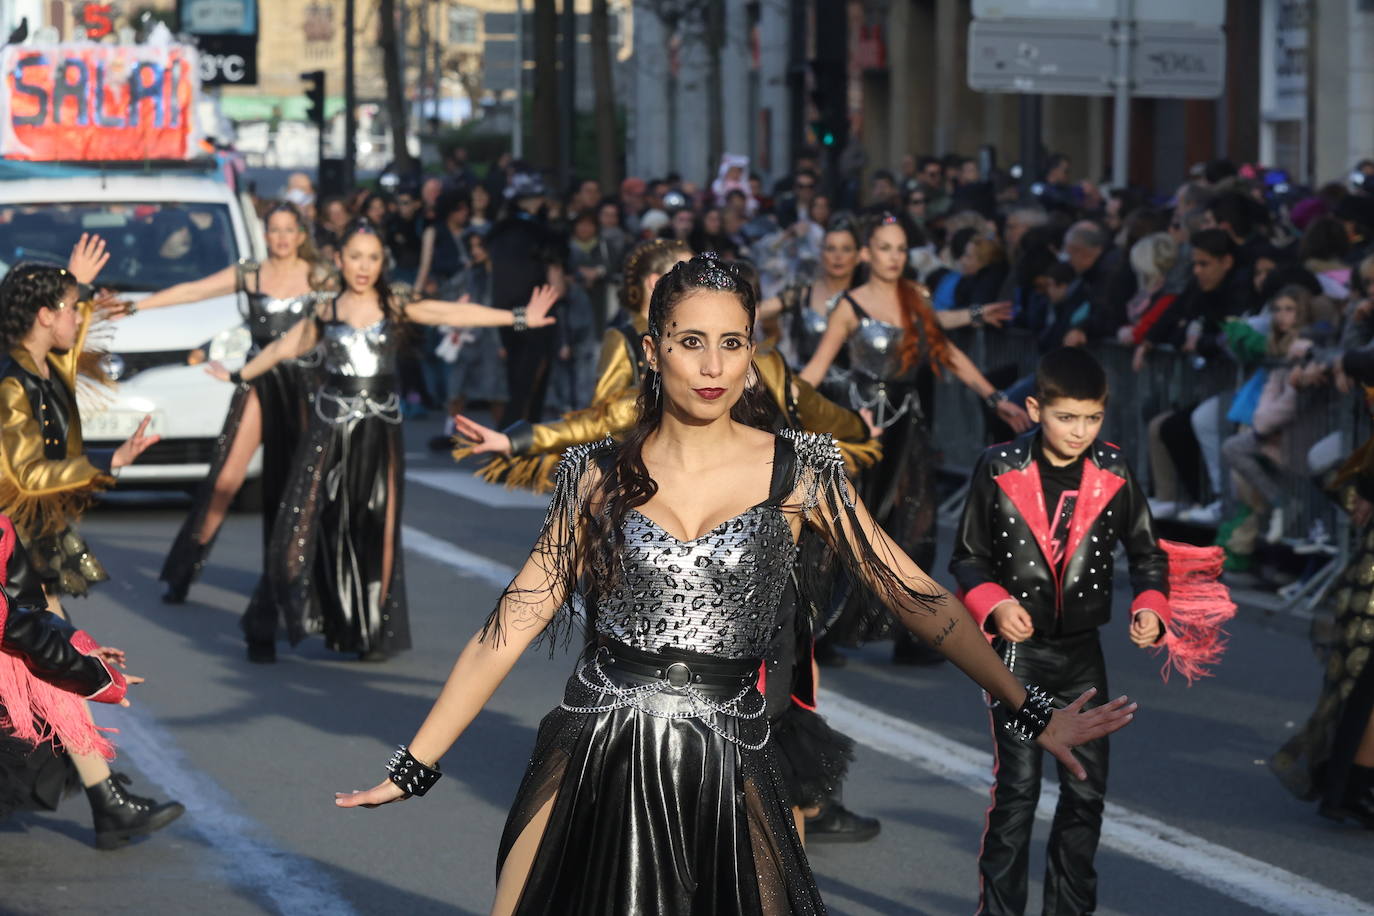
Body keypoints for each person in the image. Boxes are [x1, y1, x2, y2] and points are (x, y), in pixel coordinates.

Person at [336, 255, 1136, 915]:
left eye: (732, 343)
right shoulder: (596, 473)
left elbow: (914, 596)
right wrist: (415, 766)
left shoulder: (802, 470)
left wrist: (1029, 711)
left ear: (753, 351)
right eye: (690, 341)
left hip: (730, 758)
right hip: (593, 750)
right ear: (651, 351)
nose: (713, 366)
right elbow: (512, 621)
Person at [951, 347, 1230, 916]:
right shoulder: (998, 466)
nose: (1079, 432)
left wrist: (1150, 609)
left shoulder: (1115, 470)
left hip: (1082, 655)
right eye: (1065, 417)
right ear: (1034, 408)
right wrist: (996, 603)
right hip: (1017, 656)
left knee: (1085, 794)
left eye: (1092, 418)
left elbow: (1147, 555)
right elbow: (967, 558)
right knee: (1018, 795)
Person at [209, 220, 558, 664]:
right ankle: (265, 622)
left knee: (377, 525)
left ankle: (370, 628)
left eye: (372, 258)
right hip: (329, 430)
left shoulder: (394, 302)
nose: (363, 266)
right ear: (339, 259)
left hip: (379, 431)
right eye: (355, 256)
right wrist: (239, 375)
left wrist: (519, 317)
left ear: (381, 263)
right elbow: (281, 348)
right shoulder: (325, 308)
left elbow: (447, 313)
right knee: (301, 522)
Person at [0, 250, 180, 847]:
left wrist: (78, 281)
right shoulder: (10, 382)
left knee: (50, 670)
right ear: (46, 315)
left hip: (35, 546)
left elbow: (74, 347)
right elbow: (23, 477)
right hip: (12, 552)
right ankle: (108, 801)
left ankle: (108, 800)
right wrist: (105, 463)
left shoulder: (43, 365)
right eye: (71, 308)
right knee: (52, 667)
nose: (79, 317)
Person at [800, 213, 1032, 663]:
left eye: (901, 249)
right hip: (861, 427)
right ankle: (820, 632)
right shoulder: (849, 306)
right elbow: (817, 368)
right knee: (848, 530)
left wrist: (995, 396)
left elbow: (948, 353)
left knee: (914, 529)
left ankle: (912, 635)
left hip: (907, 428)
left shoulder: (915, 298)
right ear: (868, 254)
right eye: (885, 248)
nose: (893, 257)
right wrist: (771, 392)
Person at [134, 203, 332, 605]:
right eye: (274, 230)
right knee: (226, 479)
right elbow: (194, 291)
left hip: (308, 385)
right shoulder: (250, 273)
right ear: (265, 234)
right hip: (259, 379)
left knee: (306, 487)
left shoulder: (321, 275)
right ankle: (185, 569)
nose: (281, 238)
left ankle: (299, 580)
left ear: (300, 234)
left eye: (288, 230)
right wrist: (137, 306)